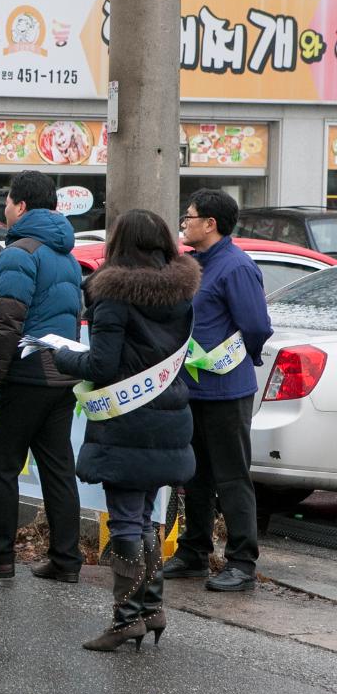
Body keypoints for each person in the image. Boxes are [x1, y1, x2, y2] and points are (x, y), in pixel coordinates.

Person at [52, 210, 201, 651]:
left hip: (127, 419)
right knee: (148, 516)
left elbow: (102, 364)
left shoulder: (113, 292)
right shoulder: (181, 292)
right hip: (170, 417)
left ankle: (125, 618)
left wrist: (62, 357)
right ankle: (151, 610)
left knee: (125, 519)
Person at [0, 170, 84, 580]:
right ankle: (66, 560)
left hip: (25, 374)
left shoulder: (18, 253)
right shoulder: (66, 253)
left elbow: (7, 320)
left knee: (0, 466)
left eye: (7, 201)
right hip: (62, 372)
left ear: (21, 205)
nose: (4, 208)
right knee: (58, 469)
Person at [164, 189, 273, 592]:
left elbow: (257, 327)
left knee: (231, 477)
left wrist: (243, 360)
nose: (184, 222)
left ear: (210, 224)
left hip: (226, 391)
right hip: (190, 390)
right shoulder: (190, 263)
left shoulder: (236, 267)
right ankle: (193, 552)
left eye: (189, 217)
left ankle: (242, 563)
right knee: (194, 476)